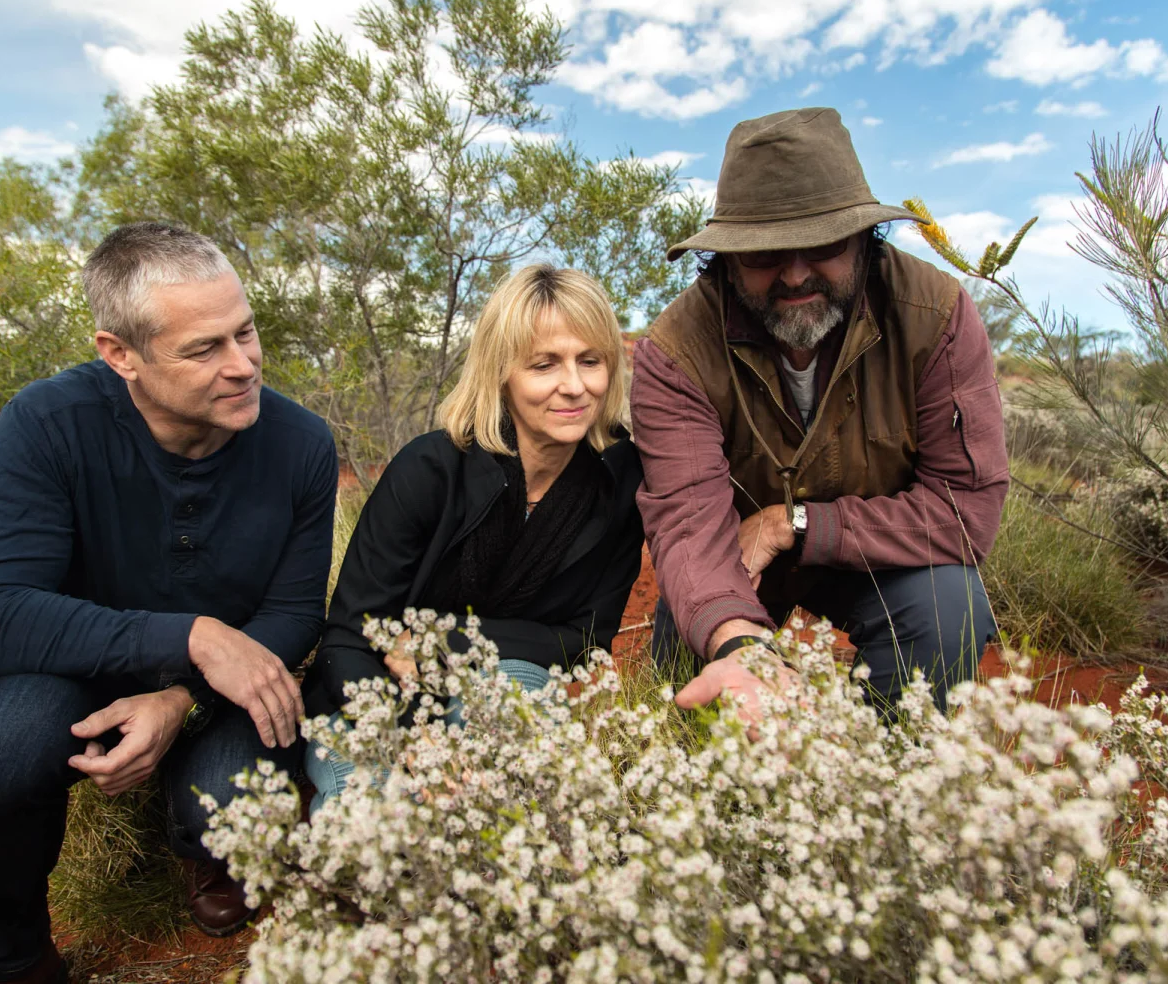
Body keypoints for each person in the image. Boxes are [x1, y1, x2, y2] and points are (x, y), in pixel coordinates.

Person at [0, 222, 338, 984]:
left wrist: (181, 695)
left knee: (226, 800)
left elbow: (292, 615)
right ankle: (7, 956)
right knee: (0, 749)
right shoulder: (46, 424)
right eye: (203, 349)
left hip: (223, 685)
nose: (243, 365)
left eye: (245, 332)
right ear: (119, 354)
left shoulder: (302, 445)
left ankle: (199, 848)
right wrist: (192, 637)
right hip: (78, 670)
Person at [632, 107, 1008, 724]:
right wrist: (739, 645)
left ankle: (897, 777)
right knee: (697, 633)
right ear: (727, 257)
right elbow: (687, 522)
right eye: (764, 253)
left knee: (949, 605)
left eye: (825, 244)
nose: (797, 272)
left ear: (864, 238)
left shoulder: (934, 315)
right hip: (735, 558)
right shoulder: (676, 350)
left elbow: (967, 513)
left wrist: (796, 524)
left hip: (879, 550)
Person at [302, 264, 644, 811]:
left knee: (505, 800)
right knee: (368, 820)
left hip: (506, 682)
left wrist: (442, 639)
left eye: (590, 360)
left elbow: (585, 639)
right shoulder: (429, 470)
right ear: (501, 372)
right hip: (371, 693)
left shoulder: (618, 484)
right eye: (544, 364)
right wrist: (411, 738)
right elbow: (349, 637)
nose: (575, 386)